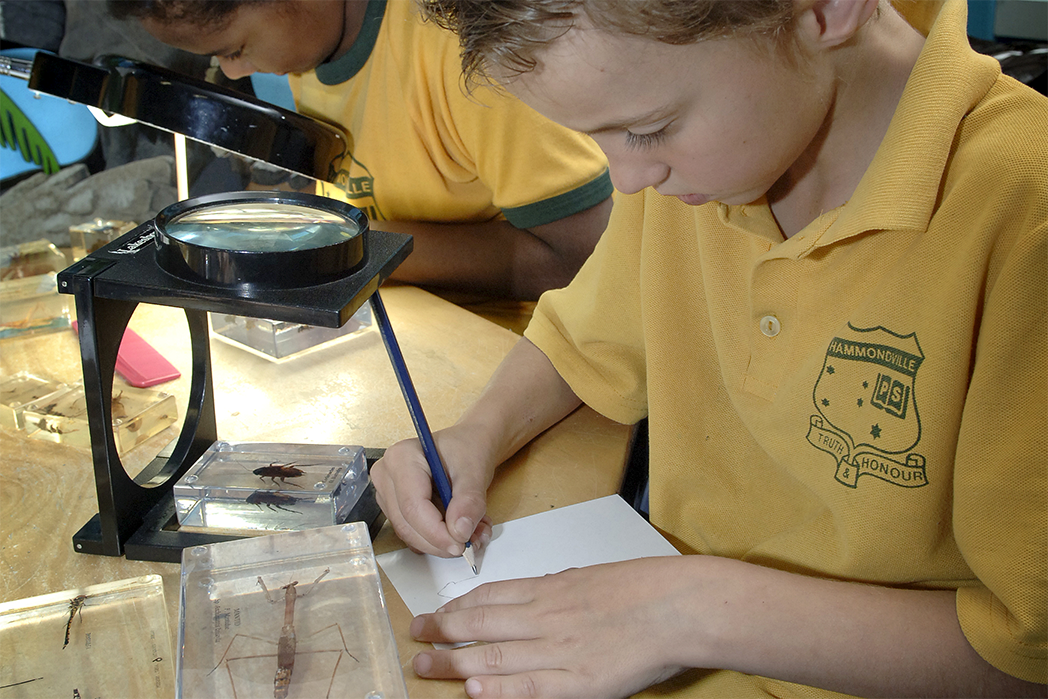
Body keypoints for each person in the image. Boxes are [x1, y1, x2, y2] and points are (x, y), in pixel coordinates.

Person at [368, 0, 1048, 696]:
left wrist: (696, 610)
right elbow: (584, 339)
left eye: (647, 128)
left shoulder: (1024, 212)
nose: (627, 179)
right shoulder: (697, 170)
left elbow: (1027, 660)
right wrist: (474, 436)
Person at [105, 0, 613, 305]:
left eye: (234, 48)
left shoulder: (464, 51)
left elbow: (584, 262)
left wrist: (342, 251)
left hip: (527, 352)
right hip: (411, 324)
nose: (234, 73)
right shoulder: (314, 48)